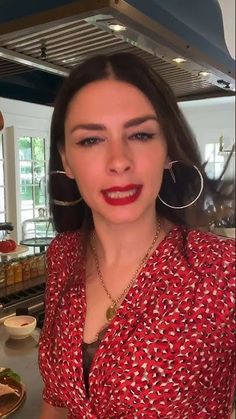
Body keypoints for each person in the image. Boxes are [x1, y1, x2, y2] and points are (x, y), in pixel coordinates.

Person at [38, 52, 235, 419]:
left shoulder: (223, 272)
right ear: (66, 160)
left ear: (166, 149)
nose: (118, 161)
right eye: (91, 140)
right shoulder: (63, 255)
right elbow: (56, 399)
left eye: (141, 134)